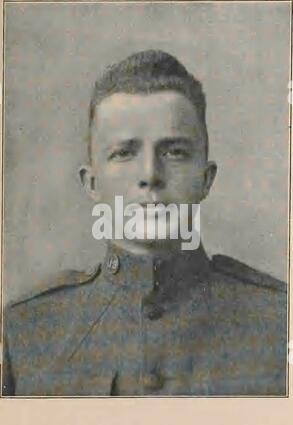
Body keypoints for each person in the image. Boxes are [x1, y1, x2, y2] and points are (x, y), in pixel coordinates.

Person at [2, 49, 287, 396]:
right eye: (124, 153)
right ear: (92, 183)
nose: (150, 175)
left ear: (205, 178)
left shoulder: (278, 323)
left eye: (175, 152)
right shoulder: (29, 333)